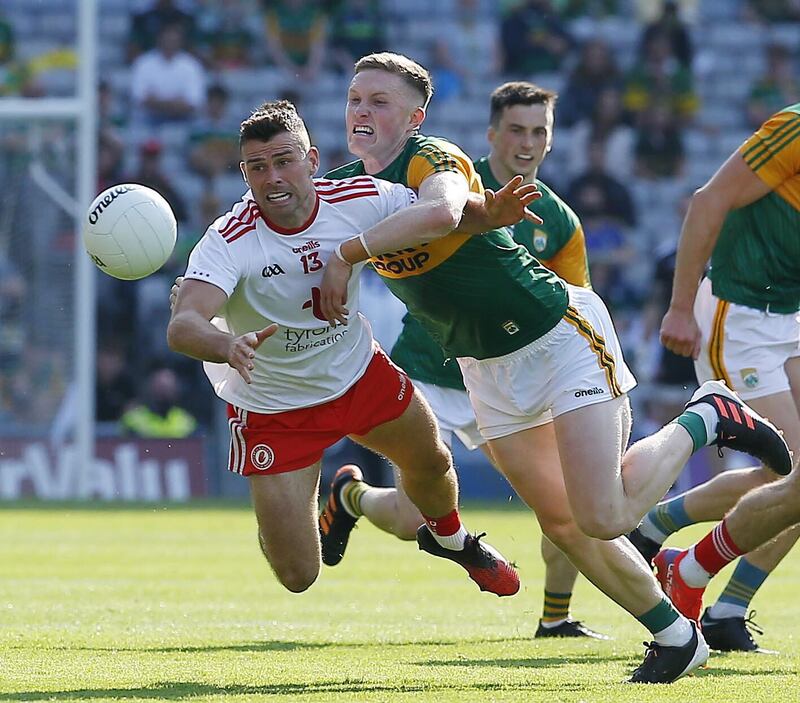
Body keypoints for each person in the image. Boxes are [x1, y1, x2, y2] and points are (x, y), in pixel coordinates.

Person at [317, 52, 790, 683]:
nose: (362, 111)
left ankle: (705, 417)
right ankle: (676, 638)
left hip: (556, 338)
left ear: (414, 116)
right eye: (355, 99)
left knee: (605, 515)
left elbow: (441, 211)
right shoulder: (347, 189)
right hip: (483, 367)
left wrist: (345, 256)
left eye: (379, 101)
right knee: (565, 524)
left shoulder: (435, 157)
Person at [166, 100, 533, 596]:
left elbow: (439, 215)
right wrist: (226, 343)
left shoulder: (358, 198)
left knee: (431, 461)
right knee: (298, 575)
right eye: (258, 167)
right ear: (244, 173)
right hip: (274, 405)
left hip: (357, 374)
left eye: (284, 160)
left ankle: (453, 541)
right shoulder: (230, 238)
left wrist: (488, 214)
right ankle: (305, 501)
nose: (273, 177)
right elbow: (183, 325)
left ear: (312, 161)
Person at [319, 81, 606, 640]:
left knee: (568, 500)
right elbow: (437, 214)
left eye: (539, 132)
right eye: (516, 130)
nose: (526, 143)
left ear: (550, 142)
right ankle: (350, 496)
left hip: (515, 373)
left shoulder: (561, 221)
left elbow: (567, 303)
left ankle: (556, 617)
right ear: (492, 134)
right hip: (434, 369)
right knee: (410, 519)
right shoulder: (439, 175)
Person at [628, 102, 800, 651]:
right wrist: (679, 307)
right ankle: (692, 569)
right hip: (740, 315)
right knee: (794, 479)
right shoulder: (797, 126)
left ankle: (677, 548)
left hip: (791, 316)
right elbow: (710, 200)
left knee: (788, 481)